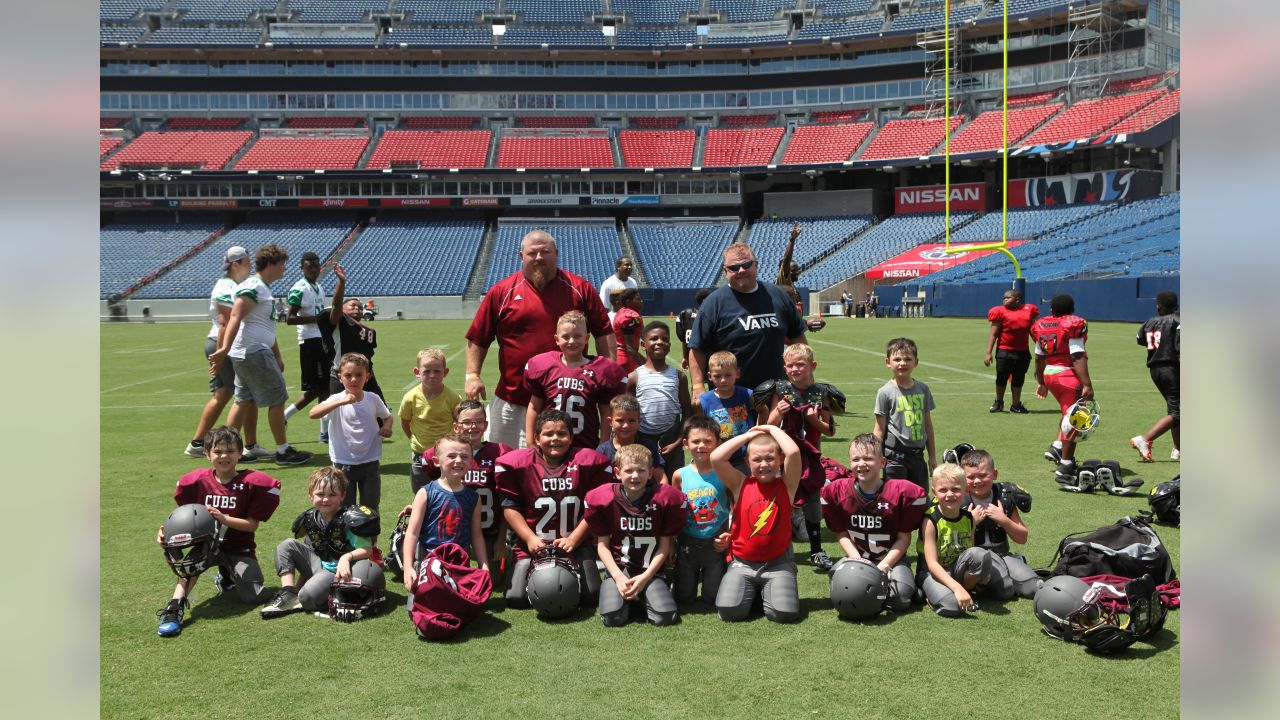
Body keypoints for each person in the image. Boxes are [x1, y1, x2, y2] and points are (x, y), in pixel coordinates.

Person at [465, 230, 614, 449]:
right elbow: (479, 337)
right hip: (513, 399)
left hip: (567, 401)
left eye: (545, 252)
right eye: (532, 253)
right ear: (521, 256)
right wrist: (472, 375)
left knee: (568, 470)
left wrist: (608, 376)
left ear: (557, 253)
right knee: (505, 466)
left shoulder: (580, 289)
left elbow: (603, 333)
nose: (538, 258)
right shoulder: (501, 292)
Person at [156, 426, 281, 637]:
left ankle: (227, 576)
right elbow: (184, 518)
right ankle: (174, 608)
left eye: (231, 451)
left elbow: (252, 525)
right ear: (207, 454)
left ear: (240, 453)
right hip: (205, 546)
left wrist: (224, 519)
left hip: (238, 547)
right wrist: (164, 533)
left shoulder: (252, 483)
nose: (224, 456)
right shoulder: (196, 482)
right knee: (189, 567)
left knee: (255, 596)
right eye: (218, 451)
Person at [208, 244, 312, 466]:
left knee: (243, 400)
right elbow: (235, 315)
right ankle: (283, 451)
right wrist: (224, 347)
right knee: (278, 399)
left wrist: (277, 354)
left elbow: (264, 326)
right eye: (282, 264)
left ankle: (229, 448)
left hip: (248, 351)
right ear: (271, 264)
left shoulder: (260, 286)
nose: (284, 269)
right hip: (253, 351)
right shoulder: (255, 286)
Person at [497, 409, 613, 610]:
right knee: (515, 598)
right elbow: (510, 506)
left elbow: (594, 508)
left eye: (561, 434)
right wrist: (529, 538)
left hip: (574, 544)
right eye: (548, 434)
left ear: (571, 437)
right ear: (536, 437)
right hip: (532, 544)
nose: (555, 439)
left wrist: (574, 539)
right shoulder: (520, 464)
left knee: (591, 594)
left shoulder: (586, 461)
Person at [821, 433, 928, 612]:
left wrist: (883, 567)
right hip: (858, 557)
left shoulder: (901, 491)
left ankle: (907, 587)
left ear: (883, 462)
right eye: (856, 459)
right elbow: (842, 534)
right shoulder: (838, 491)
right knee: (841, 586)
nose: (861, 464)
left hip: (891, 560)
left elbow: (904, 537)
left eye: (868, 458)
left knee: (899, 599)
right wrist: (856, 560)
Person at [710, 425, 803, 623]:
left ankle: (764, 591)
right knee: (729, 611)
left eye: (770, 458)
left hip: (778, 563)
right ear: (747, 461)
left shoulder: (787, 485)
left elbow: (793, 452)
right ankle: (754, 591)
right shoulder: (740, 484)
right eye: (757, 459)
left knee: (783, 614)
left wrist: (770, 428)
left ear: (780, 459)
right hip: (743, 563)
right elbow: (716, 458)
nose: (763, 464)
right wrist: (748, 436)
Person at [585, 444, 686, 627]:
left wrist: (645, 577)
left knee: (664, 617)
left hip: (651, 571)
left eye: (641, 470)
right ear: (617, 472)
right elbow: (602, 546)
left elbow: (664, 546)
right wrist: (618, 577)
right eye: (629, 470)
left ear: (650, 473)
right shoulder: (604, 498)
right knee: (613, 618)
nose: (634, 476)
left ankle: (646, 592)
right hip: (619, 569)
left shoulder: (664, 498)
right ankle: (631, 597)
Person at [688, 243, 807, 397]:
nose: (741, 270)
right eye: (734, 268)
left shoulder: (778, 296)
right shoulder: (713, 303)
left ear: (756, 265)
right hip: (730, 398)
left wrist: (804, 376)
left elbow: (798, 338)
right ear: (725, 271)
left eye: (746, 264)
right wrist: (697, 386)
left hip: (776, 394)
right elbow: (697, 349)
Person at [260, 467, 382, 618]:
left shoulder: (348, 519)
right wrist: (297, 588)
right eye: (320, 494)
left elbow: (367, 549)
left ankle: (320, 594)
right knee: (286, 545)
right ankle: (288, 593)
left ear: (342, 495)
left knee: (307, 597)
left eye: (332, 495)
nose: (325, 499)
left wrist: (346, 557)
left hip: (340, 573)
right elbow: (313, 550)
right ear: (310, 495)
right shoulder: (310, 518)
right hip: (319, 566)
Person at [761, 343, 835, 571]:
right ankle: (776, 547)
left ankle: (816, 549)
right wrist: (777, 412)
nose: (794, 370)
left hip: (810, 455)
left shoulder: (822, 392)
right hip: (784, 455)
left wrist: (814, 420)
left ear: (812, 365)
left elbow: (830, 429)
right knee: (780, 497)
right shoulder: (780, 390)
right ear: (784, 368)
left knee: (813, 499)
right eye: (790, 365)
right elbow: (768, 425)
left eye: (800, 365)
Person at [415, 401, 512, 574]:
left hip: (488, 530)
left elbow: (505, 499)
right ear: (456, 426)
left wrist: (501, 537)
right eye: (467, 422)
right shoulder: (439, 454)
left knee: (495, 579)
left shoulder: (500, 453)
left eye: (478, 421)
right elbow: (434, 489)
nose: (473, 426)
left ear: (486, 424)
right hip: (450, 532)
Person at [185, 246, 262, 460]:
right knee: (245, 395)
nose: (250, 267)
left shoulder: (231, 284)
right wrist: (221, 352)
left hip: (221, 344)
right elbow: (224, 322)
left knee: (223, 394)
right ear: (236, 264)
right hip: (222, 344)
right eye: (247, 262)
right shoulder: (227, 286)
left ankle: (198, 442)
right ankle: (239, 446)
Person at [524, 310, 626, 451]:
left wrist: (603, 444)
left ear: (586, 338)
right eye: (566, 336)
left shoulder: (601, 369)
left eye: (577, 336)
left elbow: (606, 412)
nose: (572, 341)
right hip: (550, 443)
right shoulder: (543, 365)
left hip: (585, 443)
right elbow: (534, 406)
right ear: (556, 339)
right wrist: (530, 441)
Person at [402, 433, 492, 594]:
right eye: (451, 456)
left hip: (459, 566)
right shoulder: (425, 493)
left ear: (471, 462)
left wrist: (483, 566)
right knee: (425, 607)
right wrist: (408, 567)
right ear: (436, 461)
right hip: (427, 563)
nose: (458, 461)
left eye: (464, 457)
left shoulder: (473, 497)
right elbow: (412, 534)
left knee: (460, 608)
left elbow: (476, 535)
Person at [918, 464, 1008, 617]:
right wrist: (957, 588)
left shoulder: (968, 518)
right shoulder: (930, 521)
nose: (949, 494)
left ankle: (963, 590)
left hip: (956, 569)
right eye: (943, 490)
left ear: (966, 490)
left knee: (981, 555)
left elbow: (970, 550)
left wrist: (982, 571)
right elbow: (932, 565)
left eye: (956, 489)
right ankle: (931, 594)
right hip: (932, 573)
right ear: (934, 492)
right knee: (952, 607)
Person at [309, 353, 393, 513]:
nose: (353, 379)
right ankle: (346, 538)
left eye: (358, 375)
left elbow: (387, 417)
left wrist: (387, 426)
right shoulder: (336, 399)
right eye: (348, 375)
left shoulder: (373, 398)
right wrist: (341, 401)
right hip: (343, 463)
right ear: (340, 378)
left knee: (371, 507)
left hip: (370, 461)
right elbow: (313, 413)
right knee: (345, 508)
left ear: (367, 377)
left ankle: (371, 538)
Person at [1031, 293, 1093, 485]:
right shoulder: (1073, 324)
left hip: (1050, 373)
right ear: (1072, 309)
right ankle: (1066, 463)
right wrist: (1087, 383)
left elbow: (1039, 357)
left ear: (1051, 310)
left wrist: (1041, 381)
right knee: (1076, 418)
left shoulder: (1041, 325)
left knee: (1068, 411)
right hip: (1066, 374)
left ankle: (1057, 446)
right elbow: (1077, 355)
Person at [959, 448, 1037, 599]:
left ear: (994, 474)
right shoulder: (959, 500)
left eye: (983, 475)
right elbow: (959, 549)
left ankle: (1014, 564)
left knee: (1032, 587)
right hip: (978, 559)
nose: (977, 481)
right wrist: (972, 524)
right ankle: (981, 581)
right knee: (1004, 590)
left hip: (1003, 553)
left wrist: (1003, 519)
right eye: (971, 477)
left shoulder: (1004, 496)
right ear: (963, 478)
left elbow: (1022, 537)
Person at [671, 416, 731, 604]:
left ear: (718, 443)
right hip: (687, 544)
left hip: (716, 544)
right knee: (684, 598)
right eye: (695, 441)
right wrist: (673, 542)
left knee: (712, 598)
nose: (701, 446)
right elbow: (674, 511)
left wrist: (730, 534)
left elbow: (737, 507)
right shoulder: (680, 475)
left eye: (707, 441)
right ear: (685, 443)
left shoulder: (725, 472)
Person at [317, 264, 386, 415]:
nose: (357, 309)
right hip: (341, 375)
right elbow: (335, 306)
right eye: (353, 305)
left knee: (380, 416)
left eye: (360, 307)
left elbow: (368, 356)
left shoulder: (369, 331)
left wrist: (371, 377)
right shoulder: (340, 320)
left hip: (364, 375)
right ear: (343, 309)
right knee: (338, 415)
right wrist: (341, 283)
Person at [872, 337, 937, 490]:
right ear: (888, 362)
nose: (902, 363)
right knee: (895, 498)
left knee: (919, 499)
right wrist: (875, 457)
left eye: (908, 359)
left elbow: (927, 425)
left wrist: (932, 457)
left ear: (916, 362)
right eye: (897, 359)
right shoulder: (885, 392)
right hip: (895, 457)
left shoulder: (923, 389)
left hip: (918, 456)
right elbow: (879, 429)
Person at [628, 321, 690, 476]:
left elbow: (687, 411)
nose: (659, 342)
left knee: (675, 483)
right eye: (654, 339)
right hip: (642, 440)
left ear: (669, 344)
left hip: (671, 440)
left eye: (664, 339)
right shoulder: (634, 377)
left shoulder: (679, 376)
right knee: (644, 481)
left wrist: (678, 441)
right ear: (643, 344)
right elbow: (628, 414)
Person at [283, 252, 333, 437]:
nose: (313, 269)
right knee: (315, 389)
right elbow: (289, 319)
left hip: (321, 340)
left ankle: (324, 432)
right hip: (309, 342)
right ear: (302, 268)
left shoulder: (318, 286)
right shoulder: (300, 288)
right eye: (309, 267)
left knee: (327, 386)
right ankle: (284, 416)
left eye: (316, 266)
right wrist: (320, 319)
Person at [400, 348, 462, 492]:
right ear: (417, 372)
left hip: (446, 453)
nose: (432, 375)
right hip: (420, 452)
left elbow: (459, 422)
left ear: (445, 372)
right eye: (427, 371)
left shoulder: (453, 398)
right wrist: (414, 438)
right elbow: (405, 422)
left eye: (437, 371)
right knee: (422, 492)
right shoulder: (410, 398)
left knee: (448, 490)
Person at [1130, 290, 1180, 462]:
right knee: (1178, 411)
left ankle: (1178, 449)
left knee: (1174, 408)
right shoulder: (1177, 321)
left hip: (1155, 369)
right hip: (1171, 368)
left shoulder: (1149, 322)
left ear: (1158, 306)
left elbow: (1140, 338)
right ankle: (1145, 440)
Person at [984, 288, 1039, 413]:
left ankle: (1016, 405)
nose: (1005, 300)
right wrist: (988, 352)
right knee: (1001, 378)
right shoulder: (999, 311)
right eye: (1004, 297)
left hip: (1022, 351)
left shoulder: (1029, 310)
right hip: (1004, 350)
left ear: (1017, 299)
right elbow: (994, 334)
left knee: (1019, 379)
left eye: (1008, 298)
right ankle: (999, 402)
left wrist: (1040, 346)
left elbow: (1033, 332)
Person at [697, 350, 754, 472]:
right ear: (709, 377)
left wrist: (757, 434)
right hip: (718, 458)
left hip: (745, 457)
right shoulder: (704, 401)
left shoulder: (747, 394)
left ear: (737, 374)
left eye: (728, 375)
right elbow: (700, 430)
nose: (723, 380)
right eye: (717, 376)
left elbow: (763, 410)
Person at [596, 394, 667, 484]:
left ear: (639, 422)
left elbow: (661, 478)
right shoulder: (602, 451)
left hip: (646, 496)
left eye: (631, 421)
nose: (625, 426)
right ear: (610, 422)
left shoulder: (648, 446)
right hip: (613, 497)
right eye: (620, 420)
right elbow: (597, 483)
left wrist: (662, 497)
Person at [675, 288, 712, 370]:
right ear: (705, 300)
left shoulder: (685, 314)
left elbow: (684, 340)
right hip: (711, 360)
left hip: (693, 359)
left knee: (696, 382)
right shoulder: (713, 316)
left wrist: (685, 357)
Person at [611, 288, 645, 375]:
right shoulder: (629, 317)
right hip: (625, 358)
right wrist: (644, 367)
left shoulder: (624, 312)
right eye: (638, 299)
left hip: (623, 355)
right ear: (628, 302)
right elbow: (629, 347)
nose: (641, 301)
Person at [598, 256, 638, 320]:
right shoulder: (608, 284)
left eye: (631, 265)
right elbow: (604, 307)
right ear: (618, 267)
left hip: (631, 320)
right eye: (626, 265)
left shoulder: (633, 282)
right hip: (615, 321)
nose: (630, 267)